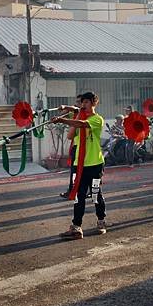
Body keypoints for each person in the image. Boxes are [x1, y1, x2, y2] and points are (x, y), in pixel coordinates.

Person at [53, 92, 106, 240]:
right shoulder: (78, 117)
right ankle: (76, 227)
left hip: (95, 164)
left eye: (87, 102)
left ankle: (101, 221)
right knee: (78, 196)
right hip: (79, 164)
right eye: (82, 103)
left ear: (94, 103)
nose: (84, 105)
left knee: (95, 194)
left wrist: (63, 120)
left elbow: (82, 125)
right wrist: (72, 114)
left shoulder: (97, 119)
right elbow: (70, 135)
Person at [60, 94, 83, 199]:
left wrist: (66, 107)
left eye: (79, 101)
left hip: (81, 146)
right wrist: (64, 111)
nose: (77, 103)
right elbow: (63, 115)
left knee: (79, 171)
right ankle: (72, 190)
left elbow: (76, 109)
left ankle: (75, 191)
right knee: (74, 171)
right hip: (75, 145)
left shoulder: (84, 114)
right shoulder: (75, 113)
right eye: (76, 101)